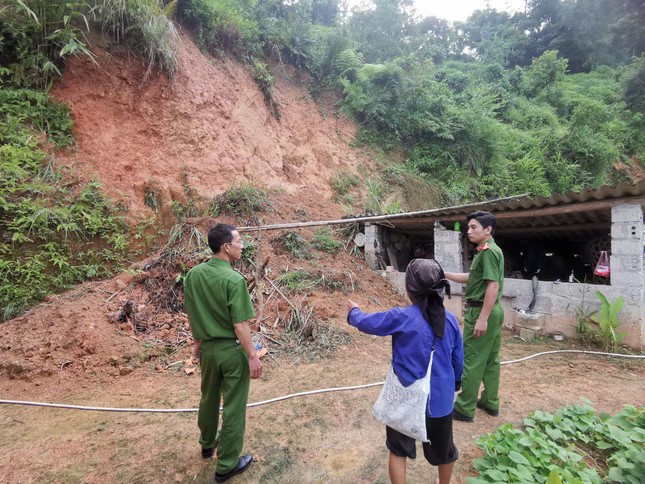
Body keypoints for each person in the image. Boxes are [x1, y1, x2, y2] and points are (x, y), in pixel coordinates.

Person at [347, 258, 464, 484]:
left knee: (398, 451)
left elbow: (368, 323)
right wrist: (455, 383)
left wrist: (354, 312)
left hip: (405, 399)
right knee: (445, 452)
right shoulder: (450, 321)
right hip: (440, 402)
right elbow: (458, 360)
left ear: (409, 289)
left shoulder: (401, 317)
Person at [183, 223, 262, 483]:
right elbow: (240, 325)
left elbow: (193, 313)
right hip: (230, 351)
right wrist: (252, 356)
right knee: (234, 406)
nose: (243, 245)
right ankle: (227, 464)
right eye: (239, 241)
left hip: (207, 350)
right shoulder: (234, 279)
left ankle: (207, 444)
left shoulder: (194, 275)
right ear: (226, 247)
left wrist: (197, 343)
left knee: (208, 397)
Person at [444, 211, 504, 423]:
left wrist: (482, 318)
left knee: (471, 360)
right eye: (468, 227)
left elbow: (493, 286)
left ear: (488, 230)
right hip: (493, 310)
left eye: (474, 227)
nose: (469, 231)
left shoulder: (487, 252)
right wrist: (445, 274)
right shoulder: (490, 251)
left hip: (482, 311)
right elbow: (472, 278)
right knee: (490, 360)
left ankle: (464, 407)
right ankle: (490, 402)